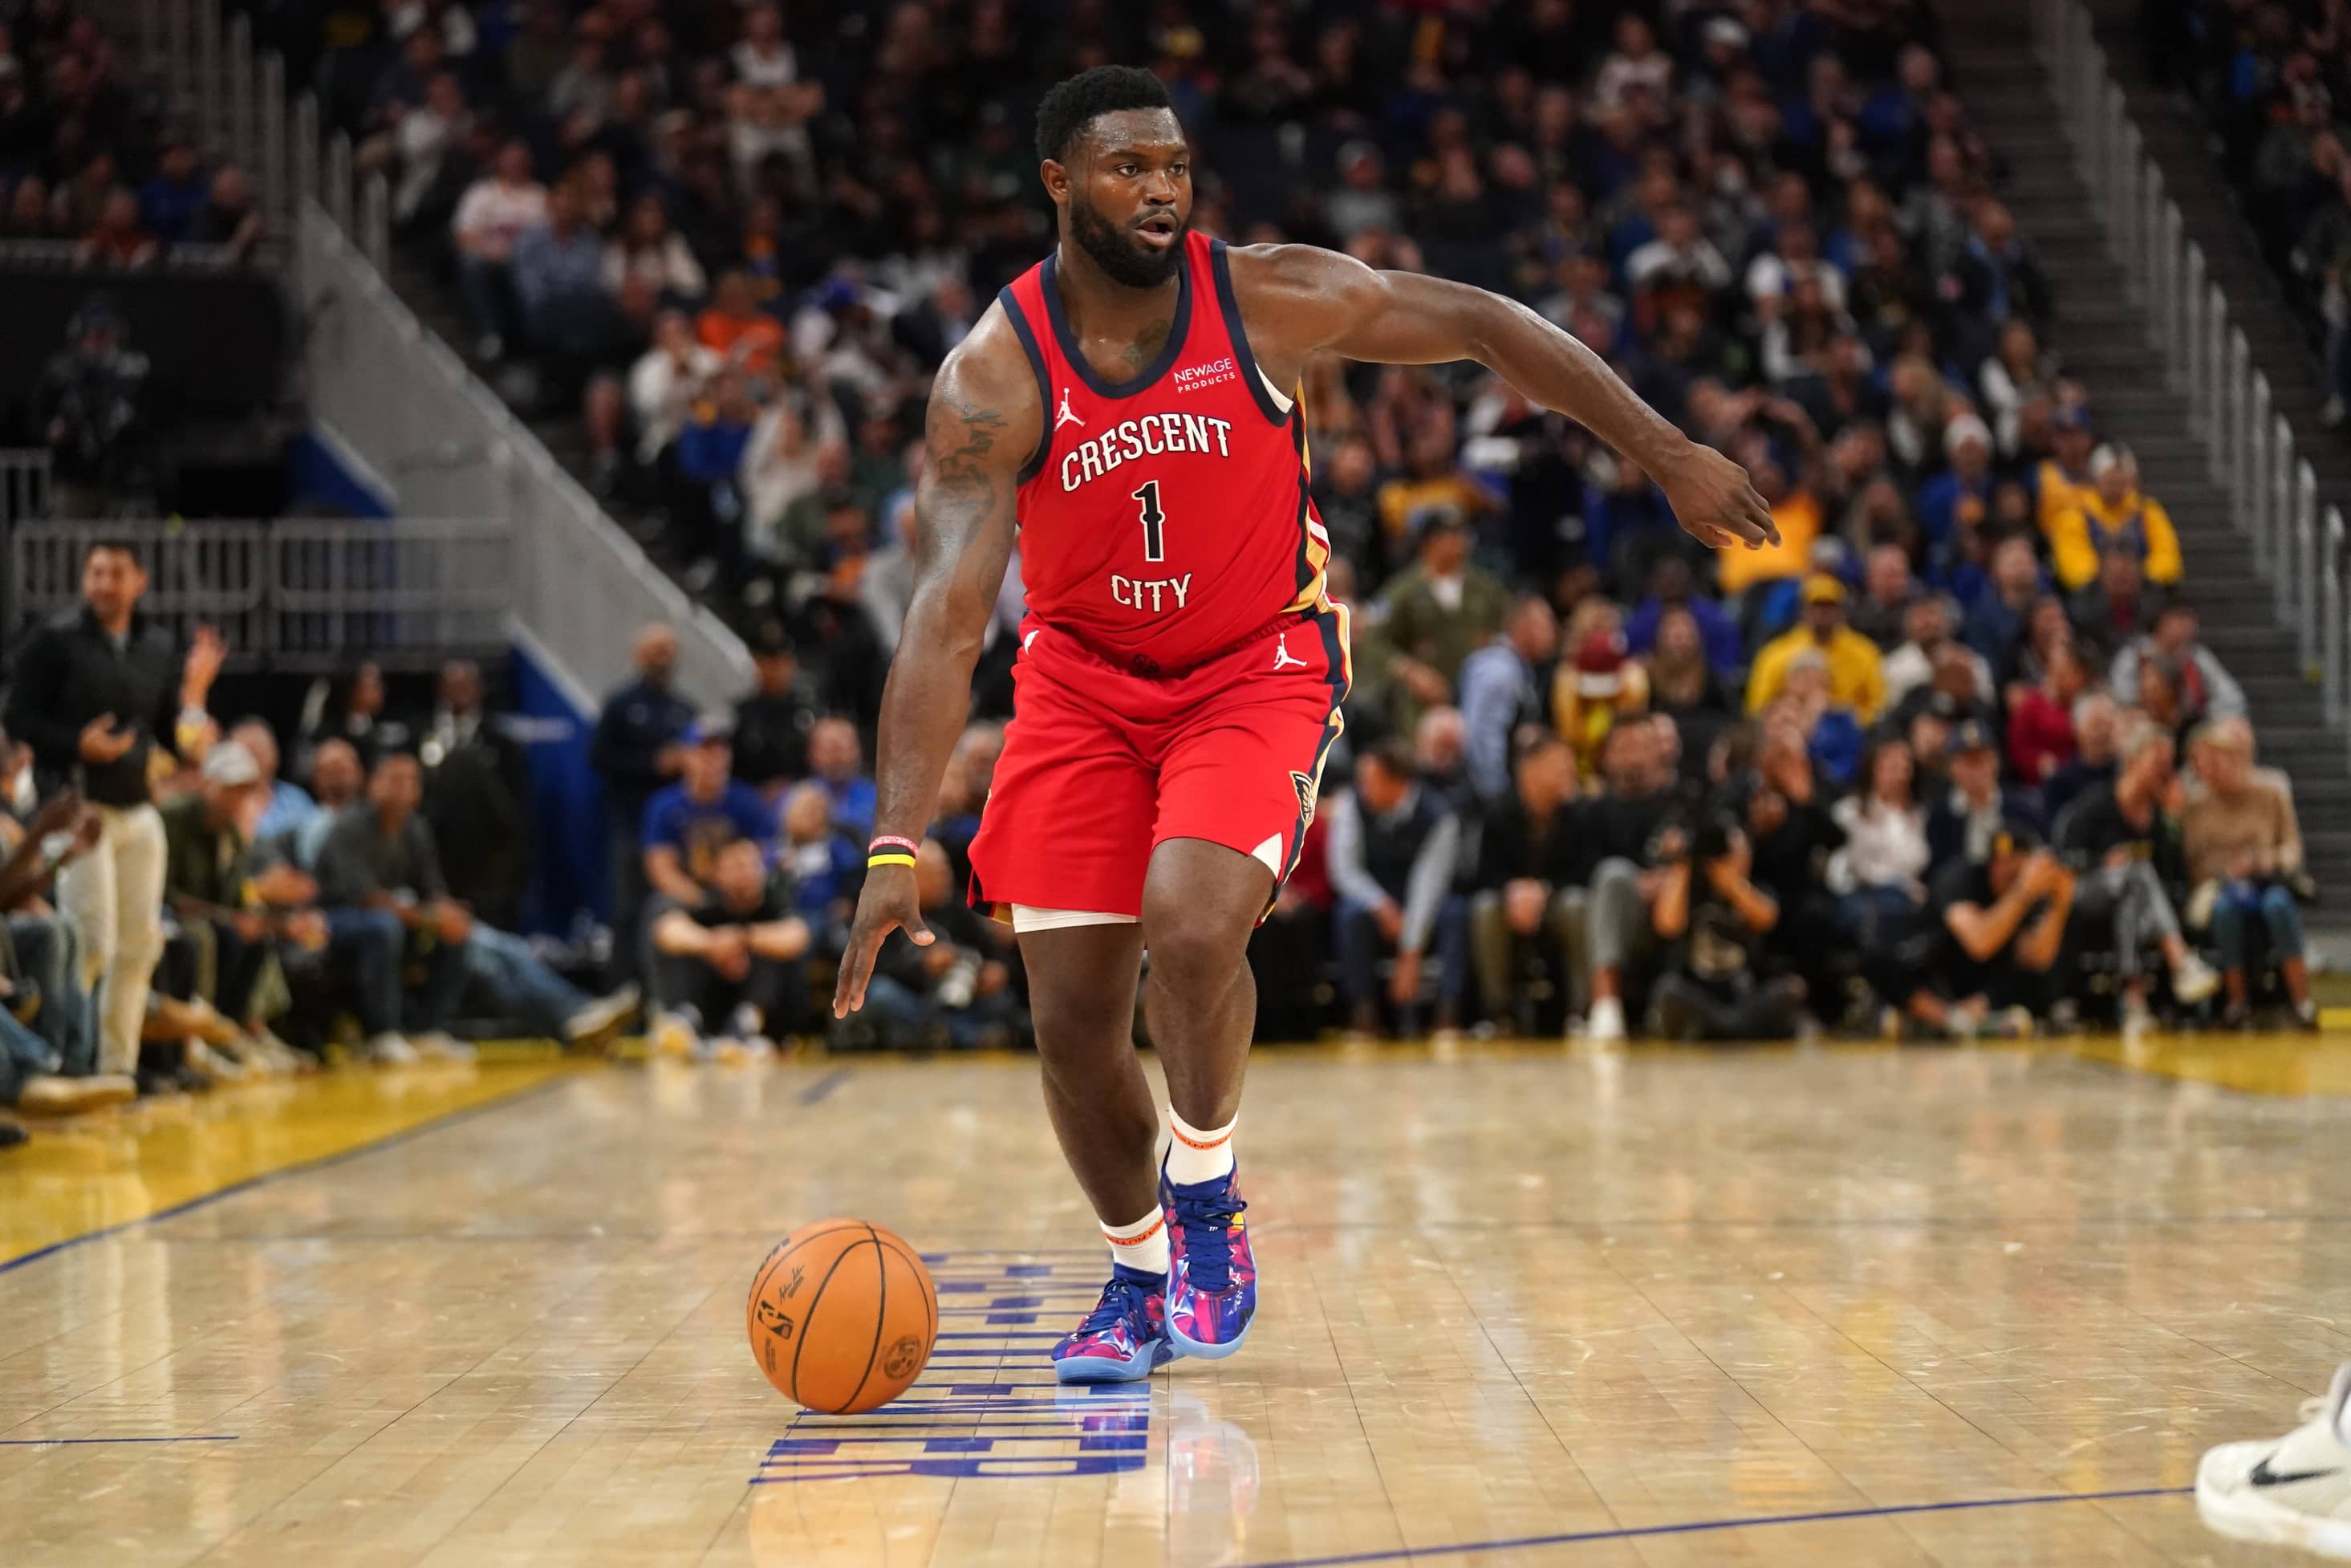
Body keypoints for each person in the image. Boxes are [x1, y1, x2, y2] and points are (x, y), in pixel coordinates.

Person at [829, 67, 1775, 1383]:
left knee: (1195, 916)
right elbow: (943, 619)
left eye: (1172, 164)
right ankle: (1138, 1271)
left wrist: (1664, 449)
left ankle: (1205, 1185)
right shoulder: (994, 373)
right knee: (1073, 1020)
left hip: (1253, 659)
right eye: (1126, 168)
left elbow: (1488, 324)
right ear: (1058, 184)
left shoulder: (1265, 294)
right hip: (1082, 680)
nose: (1160, 189)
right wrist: (891, 841)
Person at [5, 539, 223, 1084]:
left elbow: (170, 728)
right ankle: (69, 1060)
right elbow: (17, 718)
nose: (103, 583)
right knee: (91, 940)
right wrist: (78, 743)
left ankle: (117, 1072)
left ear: (139, 581)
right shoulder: (53, 641)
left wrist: (194, 716)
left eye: (115, 573)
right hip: (77, 808)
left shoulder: (155, 645)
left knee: (138, 946)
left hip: (137, 808)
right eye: (95, 572)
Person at [2055, 717, 2221, 1032]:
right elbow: (2067, 859)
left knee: (2134, 889)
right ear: (2132, 760)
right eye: (2157, 762)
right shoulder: (2096, 804)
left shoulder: (2160, 819)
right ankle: (2181, 961)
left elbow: (2174, 877)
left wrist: (2175, 823)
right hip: (2085, 896)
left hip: (2135, 909)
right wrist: (2103, 863)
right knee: (2137, 871)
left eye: (2168, 765)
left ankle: (2134, 1002)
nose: (2164, 772)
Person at [315, 752, 475, 1064]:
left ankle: (427, 1029)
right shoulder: (351, 825)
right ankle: (383, 1033)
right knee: (384, 926)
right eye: (395, 780)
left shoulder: (415, 829)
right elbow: (365, 897)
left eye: (412, 781)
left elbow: (432, 889)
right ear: (374, 785)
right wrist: (428, 918)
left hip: (390, 918)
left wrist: (448, 912)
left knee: (458, 930)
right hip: (332, 919)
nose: (405, 788)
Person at [1325, 741, 1468, 1038]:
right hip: (1375, 901)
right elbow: (1344, 870)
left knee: (1456, 914)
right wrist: (1381, 906)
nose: (1362, 788)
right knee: (1349, 914)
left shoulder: (1440, 817)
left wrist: (1410, 950)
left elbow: (1429, 884)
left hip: (1424, 903)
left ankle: (1448, 1014)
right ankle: (1362, 1013)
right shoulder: (1351, 805)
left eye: (1370, 781)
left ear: (1397, 783)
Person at [2182, 718, 2313, 1029]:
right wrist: (2227, 871)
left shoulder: (2271, 793)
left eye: (2220, 759)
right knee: (2227, 911)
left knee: (2279, 905)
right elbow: (2192, 863)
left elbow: (2292, 847)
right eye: (2206, 762)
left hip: (2267, 881)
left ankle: (2302, 1002)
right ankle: (2237, 1003)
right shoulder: (2196, 805)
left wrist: (2270, 860)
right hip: (2220, 887)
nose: (2214, 768)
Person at [1890, 825, 2075, 1038]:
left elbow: (2036, 959)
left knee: (2042, 980)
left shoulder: (2030, 891)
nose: (2009, 868)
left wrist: (2061, 904)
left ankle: (1970, 1019)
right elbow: (1979, 944)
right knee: (1883, 958)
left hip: (1983, 985)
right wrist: (2022, 892)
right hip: (1939, 970)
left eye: (2018, 861)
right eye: (2001, 861)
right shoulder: (1961, 878)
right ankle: (1946, 1019)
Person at [590, 623, 696, 983]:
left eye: (667, 651)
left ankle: (665, 994)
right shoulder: (621, 705)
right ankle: (622, 992)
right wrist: (654, 764)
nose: (661, 658)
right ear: (639, 655)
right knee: (628, 910)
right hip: (631, 823)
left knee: (669, 908)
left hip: (675, 828)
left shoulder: (685, 709)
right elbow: (599, 759)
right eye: (654, 651)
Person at [647, 837, 810, 1056]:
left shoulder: (775, 901)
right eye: (735, 866)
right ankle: (686, 1020)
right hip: (718, 1002)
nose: (746, 873)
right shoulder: (707, 903)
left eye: (751, 864)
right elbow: (665, 931)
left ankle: (745, 1026)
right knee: (687, 949)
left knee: (770, 949)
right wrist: (712, 944)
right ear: (717, 874)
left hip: (773, 1013)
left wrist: (743, 939)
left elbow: (798, 936)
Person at [1648, 817, 1806, 1042]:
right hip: (1699, 992)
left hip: (1742, 993)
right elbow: (1667, 925)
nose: (1729, 856)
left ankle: (1721, 1028)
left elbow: (1767, 918)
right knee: (1667, 991)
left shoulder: (1755, 890)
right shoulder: (1690, 893)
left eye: (1736, 849)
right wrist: (1683, 863)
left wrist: (1732, 884)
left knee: (1792, 989)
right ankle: (1735, 1028)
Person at [1468, 736, 1582, 1034]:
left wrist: (1544, 891)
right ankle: (1498, 1014)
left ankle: (1581, 1012)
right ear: (1530, 771)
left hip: (1555, 902)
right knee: (1484, 909)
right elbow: (1482, 873)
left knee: (1577, 905)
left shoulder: (1578, 813)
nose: (1570, 771)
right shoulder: (1497, 812)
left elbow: (1587, 869)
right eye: (1560, 765)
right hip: (1511, 905)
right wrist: (1512, 890)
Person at [640, 721, 774, 911]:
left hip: (739, 893)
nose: (715, 760)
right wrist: (701, 901)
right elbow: (661, 869)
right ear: (686, 757)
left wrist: (741, 888)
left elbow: (766, 854)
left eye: (721, 752)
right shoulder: (663, 806)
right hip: (689, 894)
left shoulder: (747, 800)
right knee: (660, 908)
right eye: (705, 752)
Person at [1456, 595, 1557, 806]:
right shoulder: (1501, 671)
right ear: (1525, 627)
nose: (1554, 632)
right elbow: (1482, 735)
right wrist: (1497, 793)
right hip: (1483, 795)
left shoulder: (1514, 666)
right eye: (1547, 623)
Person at [1744, 575, 1885, 722]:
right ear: (1804, 610)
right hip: (1790, 729)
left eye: (1830, 606)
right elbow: (1757, 707)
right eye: (1817, 606)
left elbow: (1878, 706)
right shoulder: (1777, 653)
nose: (1823, 613)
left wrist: (1843, 715)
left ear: (1842, 611)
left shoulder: (1864, 652)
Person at [2048, 444, 2183, 593]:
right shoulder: (2076, 513)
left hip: (2140, 594)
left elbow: (2169, 559)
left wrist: (2135, 577)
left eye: (2120, 478)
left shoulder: (2147, 511)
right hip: (2093, 596)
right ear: (2096, 478)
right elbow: (2073, 566)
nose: (2115, 484)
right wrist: (2111, 578)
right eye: (2110, 478)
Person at [731, 623, 821, 795]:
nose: (775, 670)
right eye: (767, 663)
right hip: (753, 799)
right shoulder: (743, 713)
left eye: (781, 662)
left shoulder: (809, 711)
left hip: (803, 798)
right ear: (757, 665)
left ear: (792, 664)